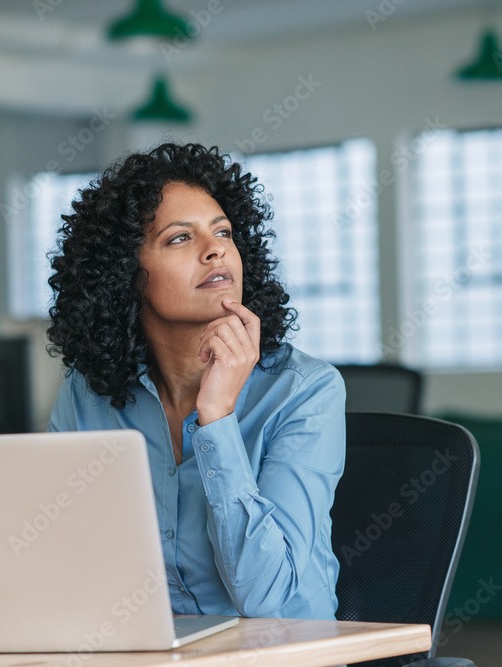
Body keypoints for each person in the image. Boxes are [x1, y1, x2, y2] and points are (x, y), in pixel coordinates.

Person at [45, 143, 346, 621]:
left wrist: (218, 417)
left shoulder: (304, 389)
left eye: (223, 231)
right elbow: (59, 562)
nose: (216, 250)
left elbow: (265, 596)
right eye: (180, 238)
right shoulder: (88, 396)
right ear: (126, 275)